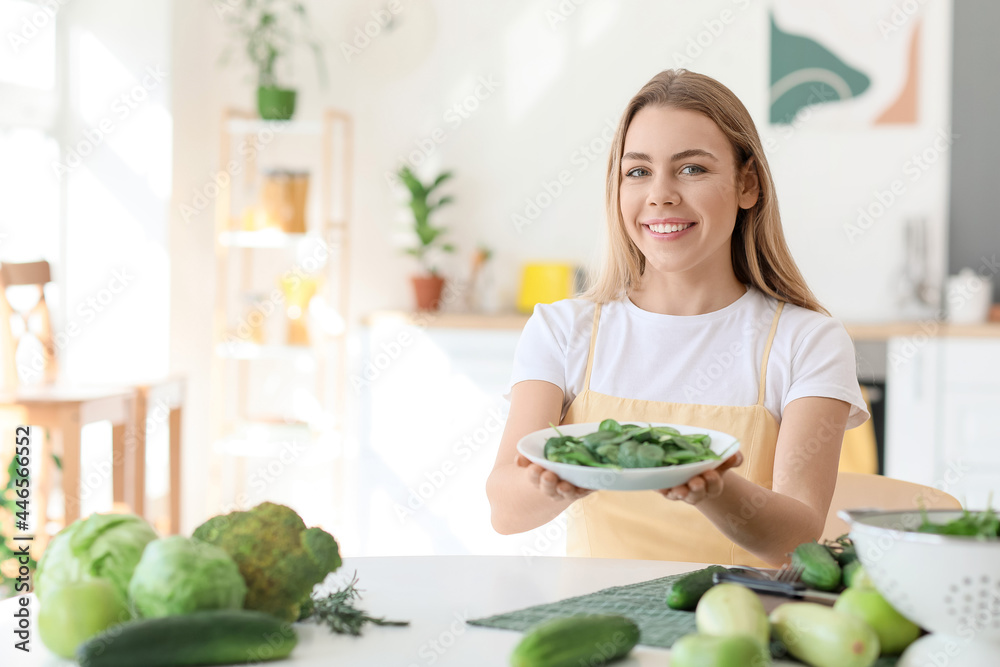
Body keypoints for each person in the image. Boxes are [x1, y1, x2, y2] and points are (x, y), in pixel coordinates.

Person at [485, 69, 869, 567]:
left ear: (747, 184)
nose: (660, 194)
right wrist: (571, 475)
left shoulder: (807, 340)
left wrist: (709, 487)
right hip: (596, 623)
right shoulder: (562, 330)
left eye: (691, 169)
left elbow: (796, 539)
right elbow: (504, 509)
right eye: (638, 171)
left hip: (736, 622)